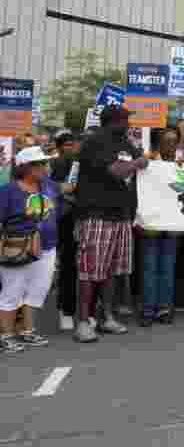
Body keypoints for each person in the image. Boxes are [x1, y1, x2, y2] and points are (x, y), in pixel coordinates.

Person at [72, 105, 146, 342]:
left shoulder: (125, 143)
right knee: (89, 271)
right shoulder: (96, 141)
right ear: (114, 121)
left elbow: (139, 166)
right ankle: (83, 322)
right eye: (125, 120)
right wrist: (139, 162)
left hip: (120, 215)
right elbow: (115, 170)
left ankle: (108, 317)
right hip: (96, 214)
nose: (129, 124)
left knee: (112, 271)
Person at [0, 146, 63, 353]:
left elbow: (60, 206)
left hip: (47, 247)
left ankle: (28, 331)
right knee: (12, 291)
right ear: (24, 167)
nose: (45, 167)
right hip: (17, 247)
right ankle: (6, 336)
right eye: (39, 164)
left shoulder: (50, 186)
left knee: (38, 290)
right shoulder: (7, 191)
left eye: (45, 163)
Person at [139, 130, 181, 326]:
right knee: (150, 268)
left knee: (168, 268)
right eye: (167, 141)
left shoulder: (182, 165)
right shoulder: (149, 164)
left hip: (172, 225)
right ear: (159, 145)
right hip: (151, 225)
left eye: (174, 141)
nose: (171, 145)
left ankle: (164, 308)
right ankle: (148, 309)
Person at [49, 132, 81, 332]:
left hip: (79, 217)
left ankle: (78, 311)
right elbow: (49, 189)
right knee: (66, 265)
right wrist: (63, 192)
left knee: (78, 267)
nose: (71, 148)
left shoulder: (80, 164)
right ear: (59, 147)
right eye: (67, 145)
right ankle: (65, 310)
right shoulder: (53, 164)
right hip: (61, 220)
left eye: (73, 144)